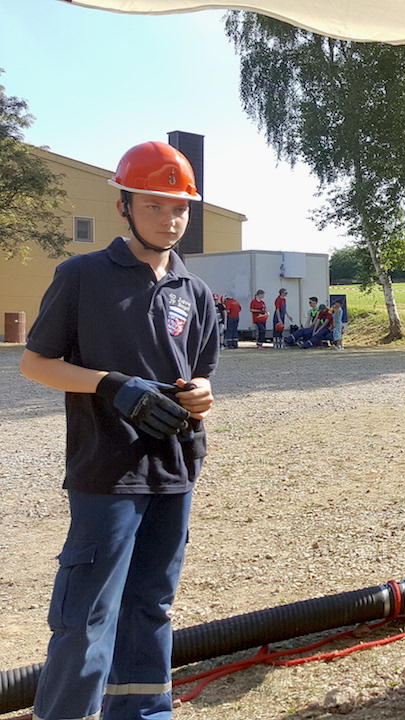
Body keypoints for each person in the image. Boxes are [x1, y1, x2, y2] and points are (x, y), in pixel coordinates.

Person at [19, 140, 219, 720]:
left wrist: (204, 396)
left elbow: (201, 374)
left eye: (180, 207)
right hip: (106, 470)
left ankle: (144, 713)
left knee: (152, 604)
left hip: (174, 470)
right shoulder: (83, 275)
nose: (170, 218)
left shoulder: (195, 291)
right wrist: (110, 385)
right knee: (87, 613)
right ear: (124, 207)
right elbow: (35, 363)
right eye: (155, 205)